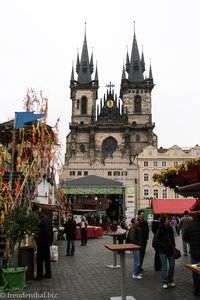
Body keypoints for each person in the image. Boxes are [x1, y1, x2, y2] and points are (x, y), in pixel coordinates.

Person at [155, 214, 176, 289]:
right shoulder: (160, 229)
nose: (169, 221)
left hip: (170, 250)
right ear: (164, 221)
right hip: (163, 251)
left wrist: (173, 245)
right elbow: (156, 241)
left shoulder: (170, 228)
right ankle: (164, 281)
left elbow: (173, 238)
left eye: (169, 219)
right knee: (164, 267)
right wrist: (164, 245)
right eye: (167, 219)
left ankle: (170, 280)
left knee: (172, 266)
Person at [183, 212, 200, 297]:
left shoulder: (189, 227)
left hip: (194, 252)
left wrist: (191, 242)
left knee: (195, 272)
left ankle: (196, 290)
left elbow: (185, 238)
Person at [35, 211, 53, 280]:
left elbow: (39, 233)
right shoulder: (48, 220)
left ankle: (40, 275)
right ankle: (48, 273)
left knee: (39, 259)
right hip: (47, 242)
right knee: (47, 259)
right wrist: (50, 241)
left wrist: (36, 240)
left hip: (41, 242)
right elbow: (51, 231)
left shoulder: (40, 222)